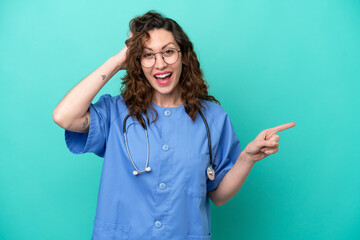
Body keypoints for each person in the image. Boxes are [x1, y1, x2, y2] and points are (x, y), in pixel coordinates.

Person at [53, 10, 295, 240]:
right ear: (137, 62)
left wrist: (247, 158)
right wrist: (117, 61)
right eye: (148, 55)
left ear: (183, 56)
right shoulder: (117, 112)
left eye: (168, 52)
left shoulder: (213, 118)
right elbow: (64, 116)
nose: (160, 64)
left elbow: (218, 196)